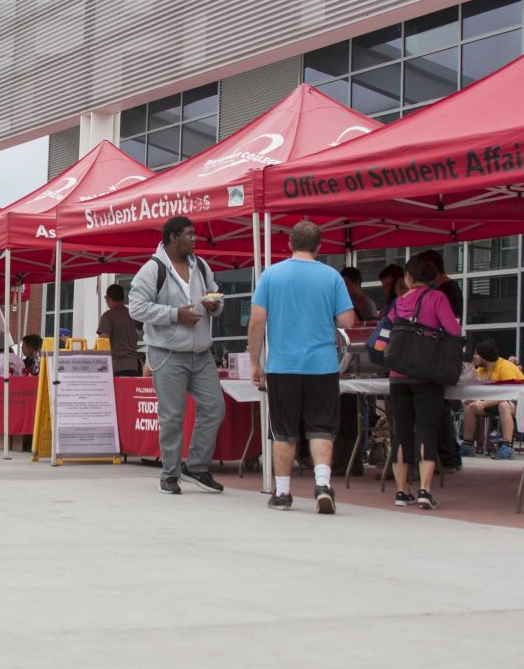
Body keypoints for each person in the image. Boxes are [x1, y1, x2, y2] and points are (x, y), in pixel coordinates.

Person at [247, 220, 356, 513]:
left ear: (289, 245)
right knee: (321, 427)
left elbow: (257, 321)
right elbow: (348, 321)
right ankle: (322, 484)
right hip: (322, 365)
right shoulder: (332, 277)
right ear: (319, 247)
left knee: (283, 431)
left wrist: (254, 362)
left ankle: (282, 493)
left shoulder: (271, 275)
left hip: (283, 365)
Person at [128, 215, 226, 495]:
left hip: (202, 353)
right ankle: (170, 474)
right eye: (189, 235)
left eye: (195, 235)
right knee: (172, 416)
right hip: (168, 354)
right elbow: (136, 308)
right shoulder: (152, 269)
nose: (195, 239)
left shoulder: (201, 265)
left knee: (215, 407)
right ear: (172, 237)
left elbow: (215, 295)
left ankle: (196, 465)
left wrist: (213, 305)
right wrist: (174, 315)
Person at [381, 256, 462, 509]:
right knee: (427, 429)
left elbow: (383, 338)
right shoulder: (438, 298)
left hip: (398, 376)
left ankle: (402, 491)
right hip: (428, 374)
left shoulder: (398, 302)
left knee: (401, 432)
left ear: (408, 277)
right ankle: (425, 490)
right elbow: (454, 331)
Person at [415, 249, 465, 473]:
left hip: (440, 354)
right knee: (440, 406)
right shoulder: (447, 290)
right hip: (442, 353)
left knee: (441, 406)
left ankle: (448, 456)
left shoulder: (444, 292)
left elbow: (452, 327)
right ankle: (449, 455)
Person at [460, 339, 524, 460]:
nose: (474, 357)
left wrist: (484, 403)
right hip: (494, 403)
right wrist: (471, 399)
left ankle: (507, 447)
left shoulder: (506, 367)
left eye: (476, 354)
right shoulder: (481, 370)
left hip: (519, 403)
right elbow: (478, 392)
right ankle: (467, 445)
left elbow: (508, 394)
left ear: (484, 356)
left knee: (504, 405)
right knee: (470, 407)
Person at [97, 283, 140, 377]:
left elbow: (103, 342)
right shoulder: (133, 315)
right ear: (123, 298)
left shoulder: (108, 316)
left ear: (108, 298)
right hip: (134, 365)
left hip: (116, 365)